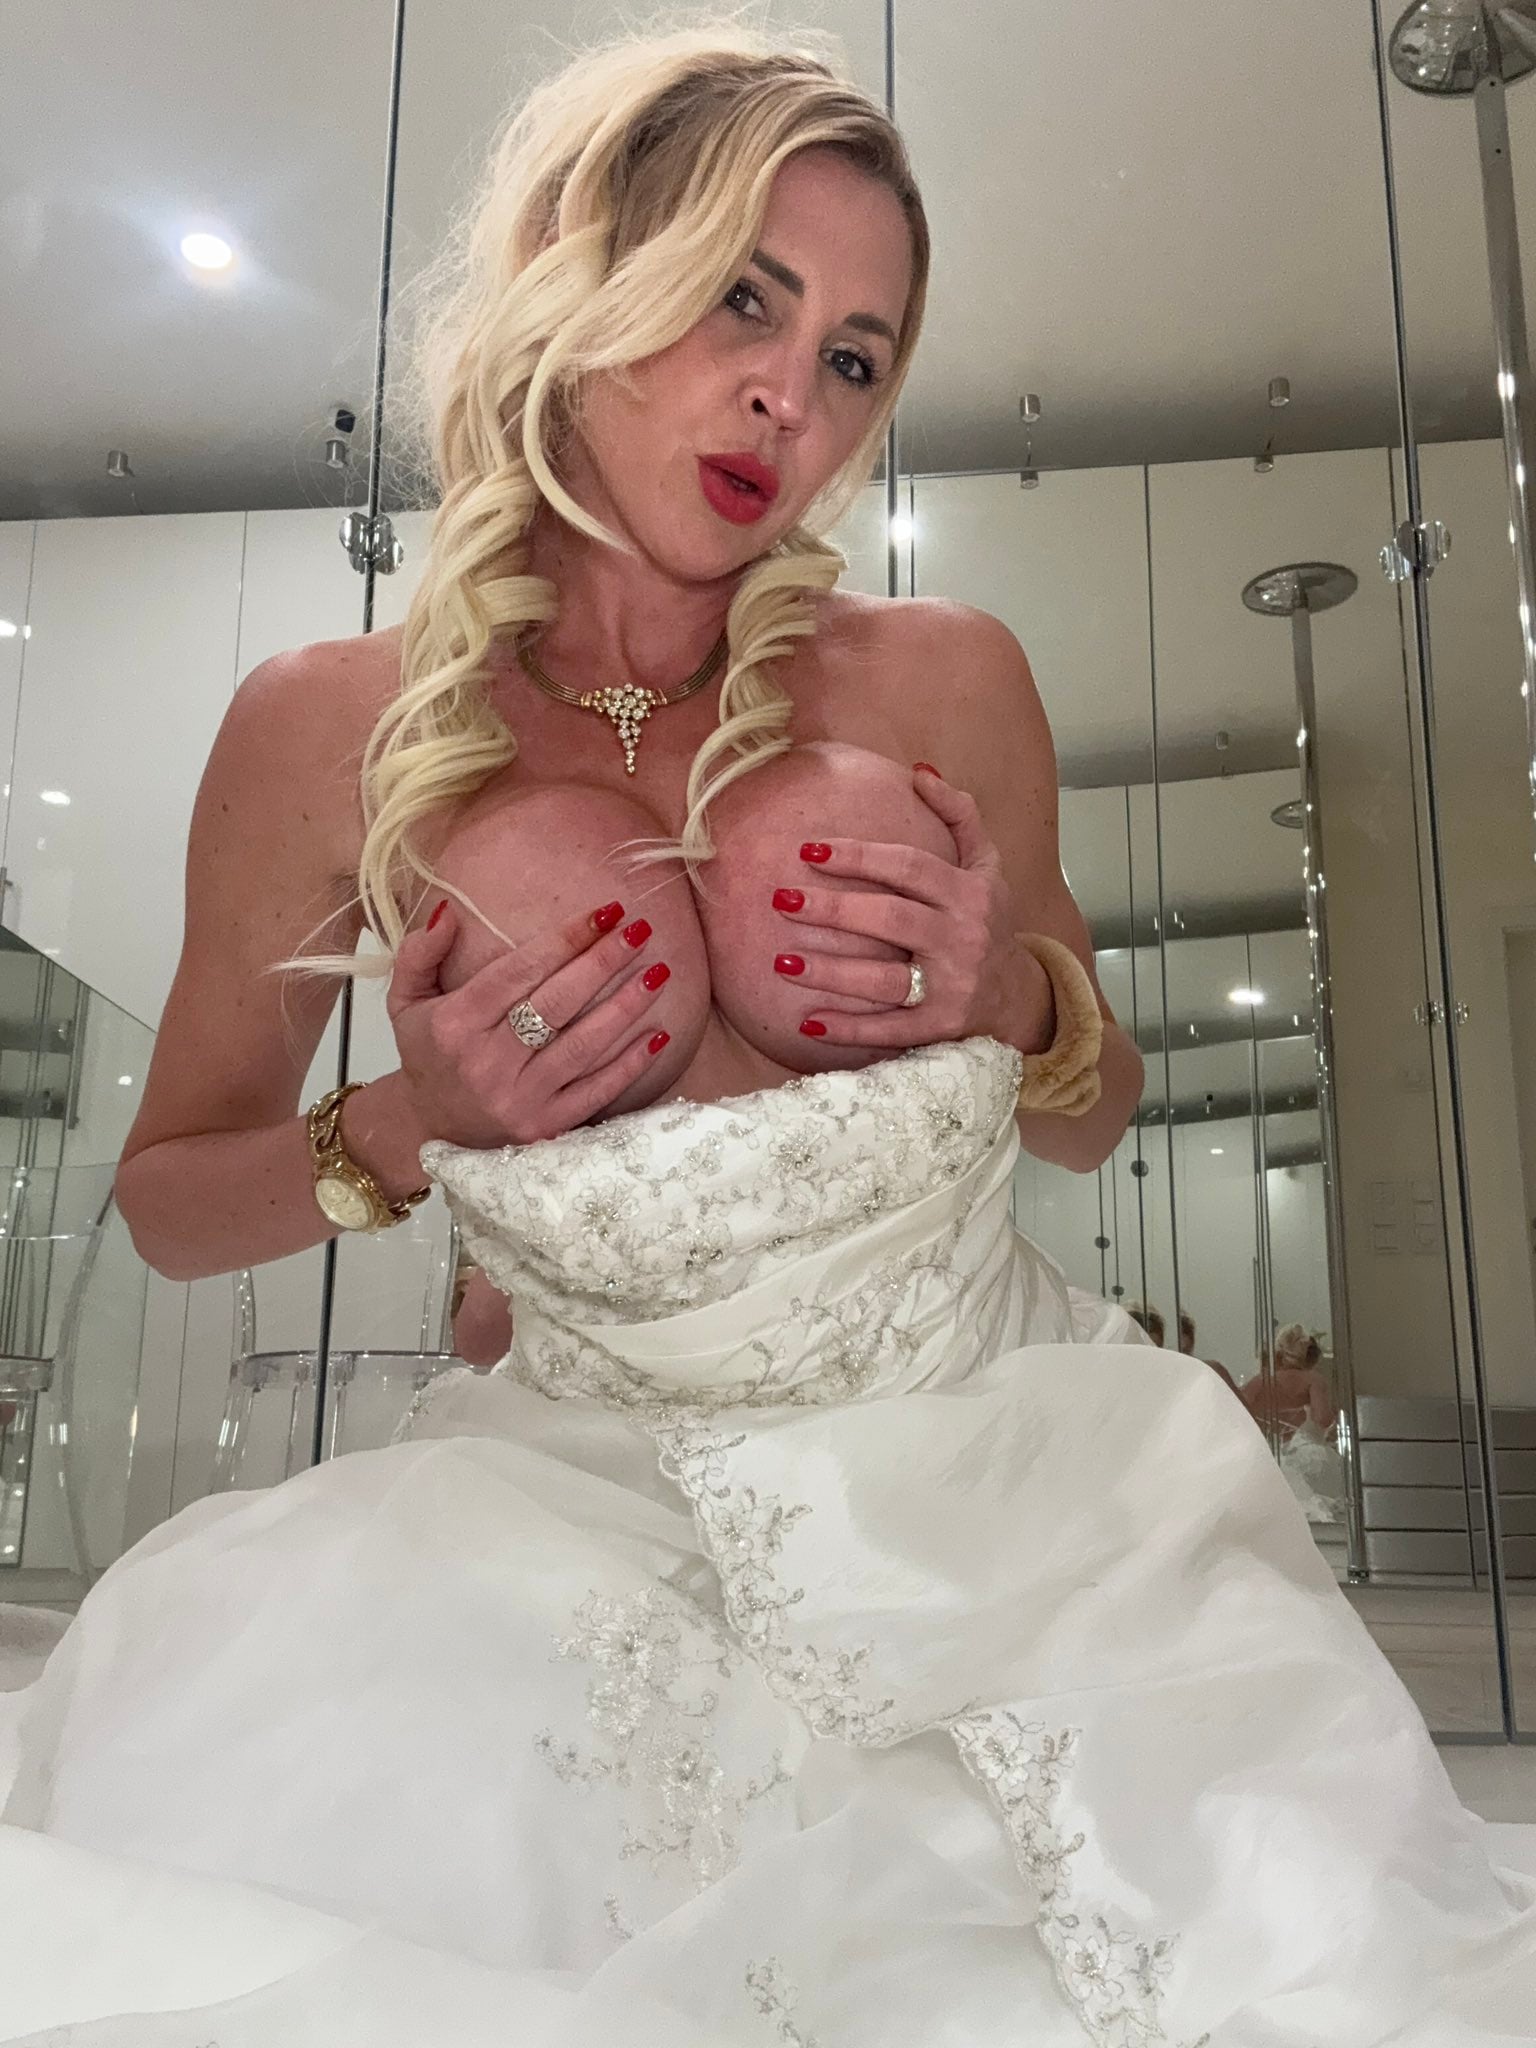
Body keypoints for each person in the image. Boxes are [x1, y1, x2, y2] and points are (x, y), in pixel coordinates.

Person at [0, 28, 1532, 2048]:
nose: (790, 399)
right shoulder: (325, 726)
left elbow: (1097, 1116)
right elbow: (172, 1201)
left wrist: (1011, 998)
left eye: (854, 357)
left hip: (1007, 1480)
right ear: (585, 269)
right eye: (746, 298)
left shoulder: (944, 679)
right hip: (558, 1501)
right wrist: (404, 1121)